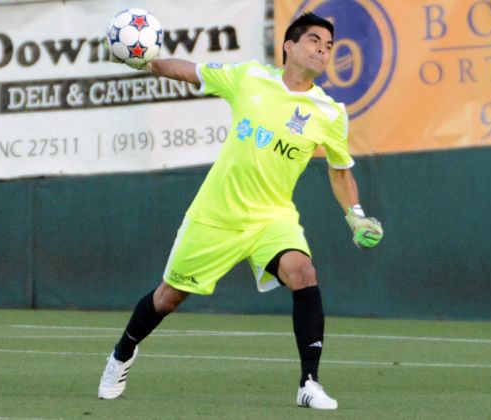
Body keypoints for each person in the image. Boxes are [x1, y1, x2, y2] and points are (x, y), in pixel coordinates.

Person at [97, 12, 383, 410]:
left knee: (304, 273)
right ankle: (122, 355)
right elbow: (190, 70)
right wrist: (146, 61)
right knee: (167, 298)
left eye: (329, 46)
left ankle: (309, 382)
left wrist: (355, 214)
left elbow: (340, 170)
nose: (323, 50)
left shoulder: (330, 112)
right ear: (289, 46)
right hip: (217, 214)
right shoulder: (250, 78)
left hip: (272, 217)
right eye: (315, 41)